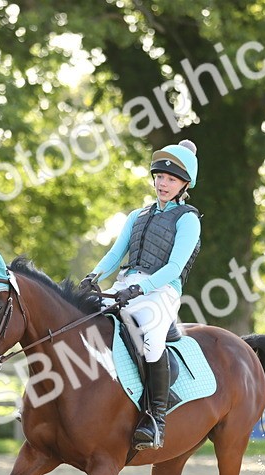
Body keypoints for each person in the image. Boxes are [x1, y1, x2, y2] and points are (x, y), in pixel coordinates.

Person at [78, 140, 202, 451]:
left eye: (171, 179)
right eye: (160, 176)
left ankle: (155, 417)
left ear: (184, 184)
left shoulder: (188, 219)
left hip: (162, 291)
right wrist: (93, 276)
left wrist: (142, 288)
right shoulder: (138, 215)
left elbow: (174, 266)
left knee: (150, 336)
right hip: (126, 283)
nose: (163, 183)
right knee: (84, 320)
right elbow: (115, 253)